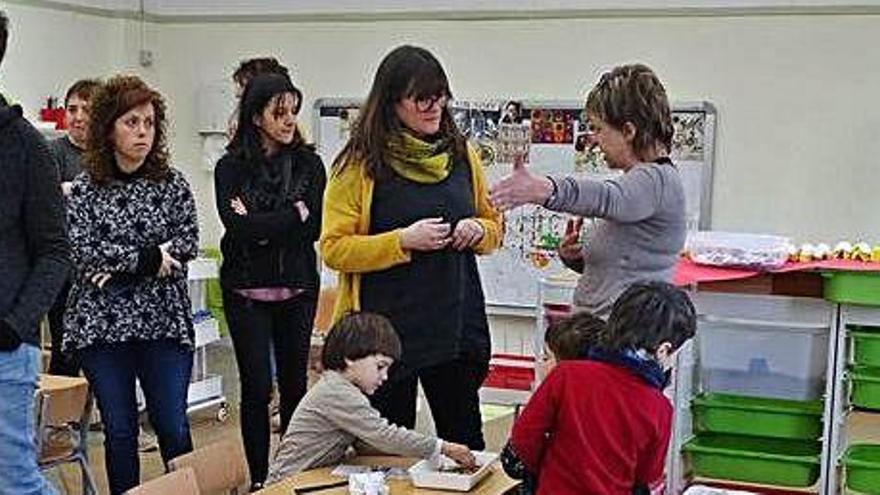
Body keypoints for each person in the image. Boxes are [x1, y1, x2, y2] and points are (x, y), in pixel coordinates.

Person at [320, 45, 502, 450]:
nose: (434, 106)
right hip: (385, 334)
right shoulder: (358, 164)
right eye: (422, 98)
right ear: (392, 102)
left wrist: (478, 228)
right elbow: (333, 248)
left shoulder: (460, 154)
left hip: (453, 323)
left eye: (440, 96)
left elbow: (494, 225)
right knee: (388, 450)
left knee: (465, 443)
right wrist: (401, 240)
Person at [63, 75, 199, 494]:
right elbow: (83, 252)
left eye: (150, 123)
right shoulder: (86, 188)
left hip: (163, 323)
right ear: (109, 128)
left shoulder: (172, 183)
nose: (142, 132)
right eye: (132, 122)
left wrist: (120, 264)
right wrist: (148, 257)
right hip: (102, 327)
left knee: (172, 424)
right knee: (120, 429)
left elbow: (188, 243)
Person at [490, 63, 686, 319]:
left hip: (622, 342)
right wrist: (575, 258)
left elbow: (608, 198)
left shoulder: (657, 179)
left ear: (628, 131)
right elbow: (621, 268)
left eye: (598, 128)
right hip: (598, 333)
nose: (593, 140)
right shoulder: (642, 182)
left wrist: (542, 189)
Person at [215, 72, 326, 491]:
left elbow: (312, 226)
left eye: (293, 111)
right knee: (257, 386)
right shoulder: (230, 168)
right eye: (278, 112)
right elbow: (235, 228)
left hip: (296, 287)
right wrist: (290, 214)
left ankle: (291, 473)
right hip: (245, 290)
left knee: (295, 385)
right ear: (256, 116)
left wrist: (260, 222)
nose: (289, 120)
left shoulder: (309, 165)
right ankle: (261, 479)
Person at [508, 281, 696, 494]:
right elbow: (647, 474)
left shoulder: (567, 375)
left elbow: (523, 437)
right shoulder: (660, 407)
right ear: (663, 350)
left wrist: (547, 470)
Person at [267, 312, 476, 484]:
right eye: (380, 366)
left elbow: (366, 442)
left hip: (310, 478)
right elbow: (382, 434)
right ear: (350, 358)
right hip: (286, 484)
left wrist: (419, 454)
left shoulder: (344, 388)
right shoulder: (339, 393)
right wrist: (442, 448)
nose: (384, 377)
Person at [0, 10, 71, 495]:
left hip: (5, 351)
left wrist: (13, 326)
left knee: (16, 483)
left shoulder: (26, 147)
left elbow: (54, 252)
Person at [501, 311, 604, 495]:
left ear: (565, 368)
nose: (540, 362)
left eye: (547, 357)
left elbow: (514, 463)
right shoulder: (618, 403)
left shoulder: (548, 403)